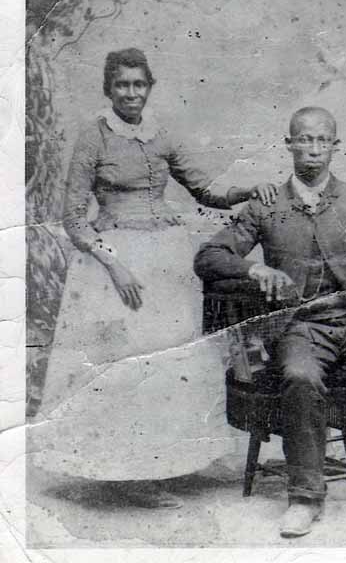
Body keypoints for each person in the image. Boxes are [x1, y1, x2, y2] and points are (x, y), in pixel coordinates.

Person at [30, 48, 277, 509]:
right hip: (113, 265)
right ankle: (124, 474)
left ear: (149, 87)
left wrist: (249, 190)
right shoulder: (93, 138)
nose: (130, 93)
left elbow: (205, 190)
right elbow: (73, 219)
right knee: (126, 366)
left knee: (167, 366)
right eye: (121, 85)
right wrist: (114, 262)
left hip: (165, 260)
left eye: (138, 84)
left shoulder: (161, 136)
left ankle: (159, 467)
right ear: (109, 89)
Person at [194, 106, 346, 536]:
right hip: (301, 325)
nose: (313, 149)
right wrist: (254, 269)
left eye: (322, 140)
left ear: (335, 146)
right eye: (304, 139)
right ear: (289, 144)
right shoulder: (266, 205)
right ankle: (305, 496)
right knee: (298, 374)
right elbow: (209, 256)